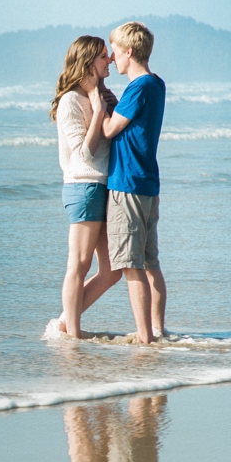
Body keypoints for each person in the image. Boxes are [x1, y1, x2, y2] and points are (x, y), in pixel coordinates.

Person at [51, 36, 122, 338]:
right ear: (88, 62)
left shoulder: (103, 96)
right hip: (83, 186)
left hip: (103, 186)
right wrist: (95, 105)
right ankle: (73, 335)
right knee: (78, 265)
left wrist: (107, 102)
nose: (110, 61)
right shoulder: (70, 101)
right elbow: (84, 152)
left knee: (111, 272)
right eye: (104, 57)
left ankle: (66, 324)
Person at [101, 22, 167, 343]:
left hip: (127, 184)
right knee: (151, 262)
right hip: (148, 184)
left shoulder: (137, 87)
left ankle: (145, 338)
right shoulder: (157, 84)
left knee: (131, 266)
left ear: (129, 52)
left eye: (114, 51)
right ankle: (157, 329)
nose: (112, 59)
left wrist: (99, 104)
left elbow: (110, 130)